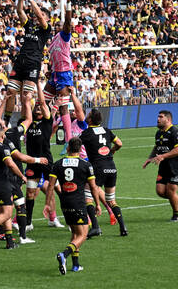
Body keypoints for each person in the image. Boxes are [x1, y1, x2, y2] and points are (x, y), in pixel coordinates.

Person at [0, 93, 47, 246]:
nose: (3, 123)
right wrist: (26, 101)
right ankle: (20, 237)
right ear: (0, 128)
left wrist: (5, 101)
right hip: (9, 179)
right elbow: (19, 156)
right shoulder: (10, 136)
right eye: (1, 123)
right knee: (15, 207)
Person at [43, 137, 101, 274]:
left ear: (68, 148)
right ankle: (64, 254)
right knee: (83, 234)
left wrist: (47, 204)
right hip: (79, 203)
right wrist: (97, 204)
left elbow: (51, 185)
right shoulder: (86, 165)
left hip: (65, 203)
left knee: (75, 233)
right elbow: (93, 187)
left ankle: (76, 264)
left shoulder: (58, 164)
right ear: (81, 150)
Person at [4, 0, 51, 126]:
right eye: (38, 13)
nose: (37, 15)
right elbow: (19, 12)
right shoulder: (29, 26)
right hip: (20, 62)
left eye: (41, 14)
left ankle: (24, 123)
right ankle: (6, 120)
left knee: (26, 96)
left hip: (33, 64)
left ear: (47, 18)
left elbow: (40, 17)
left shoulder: (45, 29)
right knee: (11, 92)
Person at [80, 109, 128, 237]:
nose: (86, 116)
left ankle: (95, 227)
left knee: (87, 197)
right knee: (112, 201)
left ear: (90, 119)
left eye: (88, 115)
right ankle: (123, 227)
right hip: (111, 167)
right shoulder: (106, 130)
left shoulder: (86, 133)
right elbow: (119, 143)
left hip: (97, 168)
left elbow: (74, 146)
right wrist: (111, 152)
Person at [25, 80, 64, 231]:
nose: (39, 109)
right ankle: (27, 222)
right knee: (30, 192)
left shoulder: (47, 121)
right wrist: (27, 100)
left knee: (59, 190)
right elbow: (27, 106)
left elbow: (42, 101)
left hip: (47, 162)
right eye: (37, 108)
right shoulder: (28, 122)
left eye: (41, 108)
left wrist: (37, 86)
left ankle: (69, 216)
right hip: (32, 162)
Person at [44, 0, 74, 156]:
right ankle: (40, 133)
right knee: (42, 103)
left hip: (64, 74)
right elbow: (53, 58)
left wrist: (67, 5)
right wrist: (49, 70)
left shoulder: (64, 36)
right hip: (55, 73)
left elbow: (68, 22)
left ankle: (69, 141)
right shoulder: (54, 40)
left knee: (62, 108)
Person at [143, 110, 178, 221]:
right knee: (160, 191)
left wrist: (163, 156)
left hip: (175, 167)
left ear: (168, 119)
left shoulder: (174, 132)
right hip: (163, 167)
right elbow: (157, 147)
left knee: (171, 190)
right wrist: (150, 158)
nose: (158, 119)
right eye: (158, 117)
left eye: (160, 117)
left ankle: (176, 214)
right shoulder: (159, 133)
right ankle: (175, 200)